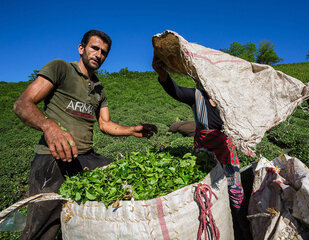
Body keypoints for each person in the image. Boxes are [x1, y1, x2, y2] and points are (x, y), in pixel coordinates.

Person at [13, 30, 157, 240]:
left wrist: (131, 130)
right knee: (42, 230)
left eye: (104, 52)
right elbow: (22, 104)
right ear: (81, 49)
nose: (99, 55)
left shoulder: (99, 89)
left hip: (85, 157)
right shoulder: (61, 68)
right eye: (95, 48)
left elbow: (105, 124)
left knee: (123, 179)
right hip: (53, 158)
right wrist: (49, 126)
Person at [152, 54, 251, 239]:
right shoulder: (196, 96)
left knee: (236, 194)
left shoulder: (226, 101)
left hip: (225, 149)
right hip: (204, 151)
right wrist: (162, 74)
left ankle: (242, 229)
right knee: (208, 194)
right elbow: (175, 90)